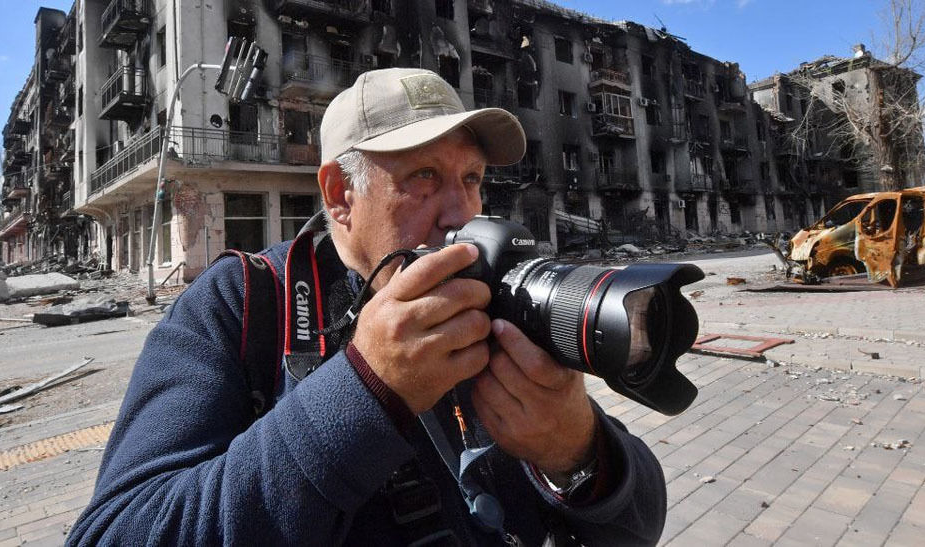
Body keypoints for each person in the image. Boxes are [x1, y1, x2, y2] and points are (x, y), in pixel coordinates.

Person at [67, 68, 667, 546]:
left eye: (474, 178)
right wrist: (365, 391)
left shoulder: (492, 299)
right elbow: (114, 531)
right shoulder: (239, 305)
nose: (462, 213)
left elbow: (639, 525)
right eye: (426, 176)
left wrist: (577, 452)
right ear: (340, 194)